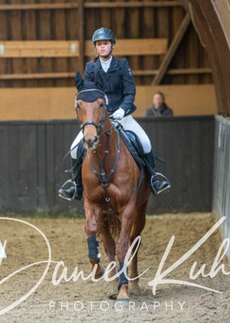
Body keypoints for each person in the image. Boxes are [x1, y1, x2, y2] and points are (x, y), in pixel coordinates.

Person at [58, 27, 171, 201]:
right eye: (99, 44)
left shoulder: (122, 65)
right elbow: (89, 94)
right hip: (99, 120)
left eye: (105, 43)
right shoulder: (91, 68)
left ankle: (154, 179)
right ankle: (76, 186)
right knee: (74, 149)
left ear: (112, 45)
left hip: (122, 117)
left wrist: (122, 110)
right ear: (96, 47)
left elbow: (130, 92)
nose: (102, 47)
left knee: (145, 142)